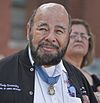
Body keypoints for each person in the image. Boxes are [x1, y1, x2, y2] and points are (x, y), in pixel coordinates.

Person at [0, 3, 97, 103]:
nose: (50, 37)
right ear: (29, 30)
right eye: (43, 29)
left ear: (68, 36)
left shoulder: (79, 79)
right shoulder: (3, 71)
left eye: (59, 31)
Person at [64, 18, 100, 93]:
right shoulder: (56, 72)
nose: (79, 39)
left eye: (84, 36)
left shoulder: (95, 80)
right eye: (73, 36)